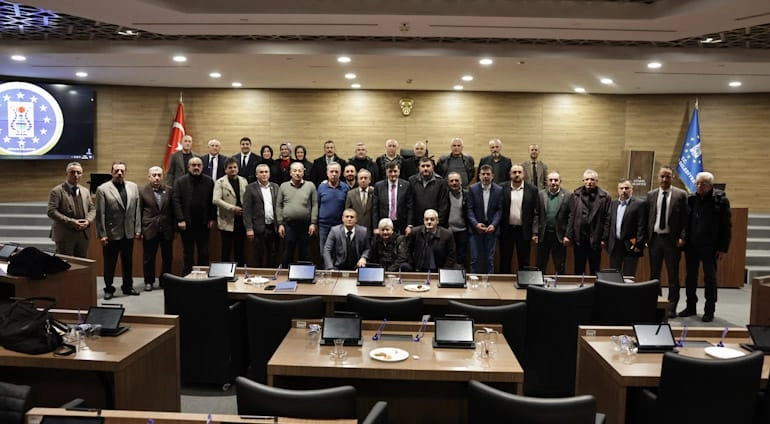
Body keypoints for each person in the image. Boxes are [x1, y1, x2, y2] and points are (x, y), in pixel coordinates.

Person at [681, 171, 731, 322]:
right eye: (697, 183)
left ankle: (709, 310)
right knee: (690, 277)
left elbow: (726, 226)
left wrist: (723, 248)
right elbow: (685, 222)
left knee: (710, 278)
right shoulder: (691, 199)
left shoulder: (720, 200)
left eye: (703, 183)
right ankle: (690, 306)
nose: (699, 186)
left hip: (711, 247)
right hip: (692, 246)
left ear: (710, 185)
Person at [646, 165, 688, 318]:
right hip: (655, 240)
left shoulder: (681, 195)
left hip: (672, 241)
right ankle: (656, 304)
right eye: (662, 176)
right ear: (658, 177)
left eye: (668, 176)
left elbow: (685, 219)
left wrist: (682, 237)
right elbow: (648, 217)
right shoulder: (651, 195)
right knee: (654, 275)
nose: (664, 179)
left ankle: (671, 307)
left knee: (673, 276)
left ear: (673, 177)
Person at [95, 161, 142, 299]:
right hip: (111, 233)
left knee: (128, 262)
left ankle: (128, 286)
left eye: (122, 170)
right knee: (110, 263)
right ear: (112, 172)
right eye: (116, 171)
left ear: (125, 172)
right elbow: (100, 214)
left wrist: (137, 229)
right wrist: (102, 234)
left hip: (128, 232)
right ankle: (109, 288)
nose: (119, 173)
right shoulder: (103, 189)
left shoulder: (133, 187)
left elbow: (137, 210)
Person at [173, 157, 216, 276]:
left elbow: (212, 201)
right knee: (188, 252)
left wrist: (212, 218)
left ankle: (204, 277)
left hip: (204, 223)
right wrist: (180, 219)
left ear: (202, 167)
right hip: (187, 224)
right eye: (193, 165)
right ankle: (187, 277)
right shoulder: (180, 182)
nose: (196, 167)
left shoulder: (209, 181)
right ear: (188, 167)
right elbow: (176, 201)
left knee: (204, 252)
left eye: (198, 165)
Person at [565, 169, 611, 276]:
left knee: (595, 269)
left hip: (596, 238)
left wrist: (604, 238)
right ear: (583, 180)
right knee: (578, 268)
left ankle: (595, 287)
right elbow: (572, 216)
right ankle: (579, 287)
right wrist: (568, 235)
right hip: (580, 238)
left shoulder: (605, 197)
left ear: (596, 181)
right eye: (587, 179)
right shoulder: (576, 195)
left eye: (592, 179)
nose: (589, 182)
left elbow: (607, 218)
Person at [47, 162, 95, 258]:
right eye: (72, 172)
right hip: (65, 234)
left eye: (78, 173)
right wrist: (72, 222)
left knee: (82, 263)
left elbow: (92, 208)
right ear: (66, 174)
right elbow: (51, 211)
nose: (76, 175)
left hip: (82, 234)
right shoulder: (57, 191)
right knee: (66, 264)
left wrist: (88, 221)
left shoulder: (85, 191)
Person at [139, 166, 174, 292]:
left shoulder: (169, 190)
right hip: (150, 228)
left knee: (168, 257)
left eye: (159, 175)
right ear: (149, 177)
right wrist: (139, 229)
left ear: (162, 176)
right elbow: (139, 211)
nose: (157, 178)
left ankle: (164, 280)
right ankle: (149, 281)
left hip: (166, 229)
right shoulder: (142, 191)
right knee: (149, 257)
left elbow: (173, 210)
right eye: (154, 175)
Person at [276, 162, 318, 266]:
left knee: (305, 252)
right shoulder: (283, 186)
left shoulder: (310, 185)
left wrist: (313, 223)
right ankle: (286, 273)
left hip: (305, 224)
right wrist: (280, 224)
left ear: (303, 172)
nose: (297, 173)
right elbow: (279, 205)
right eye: (295, 171)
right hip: (288, 225)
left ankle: (304, 274)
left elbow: (315, 205)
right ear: (290, 173)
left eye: (300, 171)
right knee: (288, 252)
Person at [499, 164, 538, 274]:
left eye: (519, 172)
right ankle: (504, 282)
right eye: (514, 172)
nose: (517, 174)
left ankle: (524, 282)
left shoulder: (532, 190)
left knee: (524, 260)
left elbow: (536, 212)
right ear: (510, 174)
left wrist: (535, 232)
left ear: (524, 174)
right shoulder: (502, 188)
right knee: (505, 259)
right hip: (506, 230)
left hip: (524, 231)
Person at [605, 179, 646, 277]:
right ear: (618, 190)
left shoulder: (639, 204)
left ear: (632, 189)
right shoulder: (613, 204)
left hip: (630, 245)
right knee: (614, 275)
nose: (624, 190)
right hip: (615, 245)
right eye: (621, 188)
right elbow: (609, 223)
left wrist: (638, 244)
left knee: (629, 275)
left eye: (626, 188)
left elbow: (642, 226)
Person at [467, 164, 503, 274]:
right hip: (475, 230)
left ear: (492, 176)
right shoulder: (473, 189)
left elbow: (499, 210)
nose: (485, 176)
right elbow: (469, 209)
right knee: (475, 259)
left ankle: (489, 282)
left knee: (490, 260)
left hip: (491, 230)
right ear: (479, 176)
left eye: (488, 174)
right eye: (483, 174)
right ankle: (474, 281)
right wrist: (476, 224)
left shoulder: (499, 190)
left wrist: (494, 224)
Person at [534, 171, 571, 275]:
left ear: (560, 181)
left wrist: (568, 235)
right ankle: (540, 284)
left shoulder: (568, 195)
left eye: (556, 180)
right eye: (551, 180)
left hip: (559, 236)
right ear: (547, 182)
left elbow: (571, 217)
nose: (553, 182)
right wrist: (535, 233)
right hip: (544, 235)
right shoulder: (541, 194)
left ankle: (560, 284)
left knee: (560, 265)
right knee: (541, 264)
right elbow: (536, 214)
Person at [243, 163, 280, 267]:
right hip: (258, 227)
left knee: (273, 254)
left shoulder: (275, 187)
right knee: (259, 254)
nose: (264, 174)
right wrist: (249, 228)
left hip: (273, 226)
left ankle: (272, 274)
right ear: (256, 175)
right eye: (261, 172)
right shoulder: (250, 188)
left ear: (269, 174)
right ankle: (258, 275)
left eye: (266, 172)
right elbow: (247, 210)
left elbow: (279, 206)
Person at [213, 158, 248, 266]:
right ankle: (225, 273)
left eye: (235, 167)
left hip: (241, 219)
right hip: (226, 219)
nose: (233, 169)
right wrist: (232, 208)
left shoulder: (243, 180)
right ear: (225, 170)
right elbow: (216, 200)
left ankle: (240, 271)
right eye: (230, 168)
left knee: (240, 249)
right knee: (226, 249)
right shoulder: (220, 182)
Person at [372, 162, 413, 236]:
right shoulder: (379, 186)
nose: (393, 174)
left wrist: (409, 225)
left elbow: (410, 207)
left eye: (395, 171)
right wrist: (375, 227)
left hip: (401, 225)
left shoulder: (406, 185)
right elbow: (375, 208)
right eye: (390, 171)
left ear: (399, 172)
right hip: (384, 224)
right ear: (386, 172)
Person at [317, 162, 349, 255]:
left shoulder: (345, 188)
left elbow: (347, 207)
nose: (334, 174)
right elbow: (317, 205)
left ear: (340, 173)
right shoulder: (321, 187)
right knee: (324, 252)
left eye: (336, 171)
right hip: (324, 225)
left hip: (339, 225)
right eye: (331, 171)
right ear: (327, 173)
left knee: (338, 252)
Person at [409, 156, 449, 228]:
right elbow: (410, 203)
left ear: (432, 167)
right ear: (419, 167)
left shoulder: (441, 182)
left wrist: (438, 222)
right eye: (423, 166)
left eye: (428, 166)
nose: (425, 168)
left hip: (434, 223)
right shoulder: (412, 180)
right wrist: (410, 223)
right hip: (417, 223)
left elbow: (443, 205)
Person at [446, 172, 469, 269]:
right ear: (448, 183)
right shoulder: (444, 194)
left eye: (456, 180)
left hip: (463, 230)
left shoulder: (467, 194)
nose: (454, 183)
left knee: (461, 257)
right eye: (451, 181)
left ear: (461, 182)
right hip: (448, 231)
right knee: (449, 257)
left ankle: (460, 276)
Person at [345, 169, 374, 236]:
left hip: (371, 228)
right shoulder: (351, 194)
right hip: (355, 228)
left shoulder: (374, 192)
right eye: (361, 178)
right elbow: (347, 211)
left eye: (365, 178)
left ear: (369, 180)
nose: (363, 180)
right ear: (357, 180)